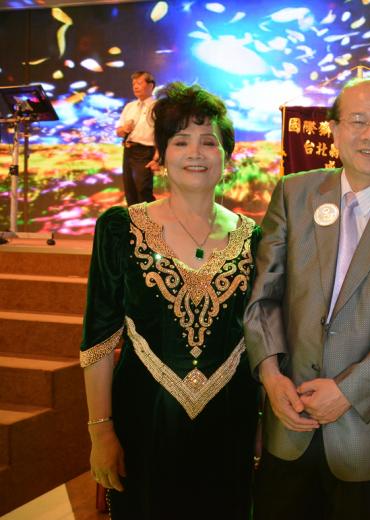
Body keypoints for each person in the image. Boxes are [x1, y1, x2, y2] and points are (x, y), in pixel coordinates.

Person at [244, 77, 370, 520]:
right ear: (335, 130)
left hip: (367, 433)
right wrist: (270, 377)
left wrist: (346, 391)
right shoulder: (294, 193)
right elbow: (264, 296)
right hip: (288, 417)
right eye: (357, 121)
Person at [81, 82, 261, 519]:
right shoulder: (120, 228)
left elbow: (260, 339)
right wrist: (101, 432)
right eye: (181, 141)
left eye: (209, 142)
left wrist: (262, 425)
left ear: (227, 156)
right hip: (143, 421)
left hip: (229, 423)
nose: (195, 153)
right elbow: (99, 341)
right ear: (160, 155)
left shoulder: (254, 237)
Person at [116, 70, 159, 205]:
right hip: (128, 150)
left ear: (150, 85)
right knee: (130, 191)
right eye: (133, 83)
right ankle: (135, 219)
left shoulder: (158, 107)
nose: (135, 86)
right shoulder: (130, 107)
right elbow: (118, 132)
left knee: (143, 191)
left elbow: (162, 134)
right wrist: (124, 129)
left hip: (145, 152)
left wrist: (157, 157)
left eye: (139, 83)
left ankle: (149, 219)